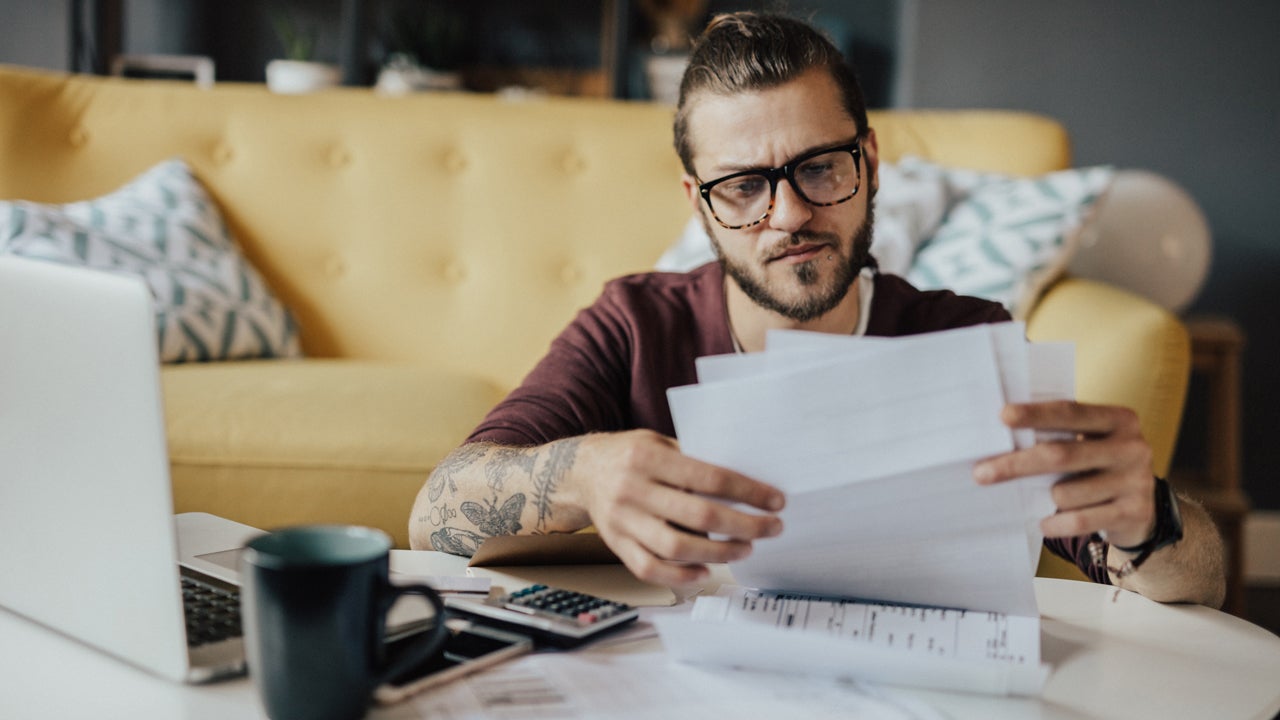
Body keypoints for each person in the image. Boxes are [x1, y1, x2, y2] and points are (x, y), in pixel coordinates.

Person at [409, 12, 1226, 608]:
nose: (790, 214)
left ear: (869, 163)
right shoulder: (633, 324)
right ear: (700, 203)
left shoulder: (961, 339)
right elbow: (435, 515)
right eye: (743, 186)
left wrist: (1145, 517)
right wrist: (585, 473)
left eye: (820, 168)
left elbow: (1196, 583)